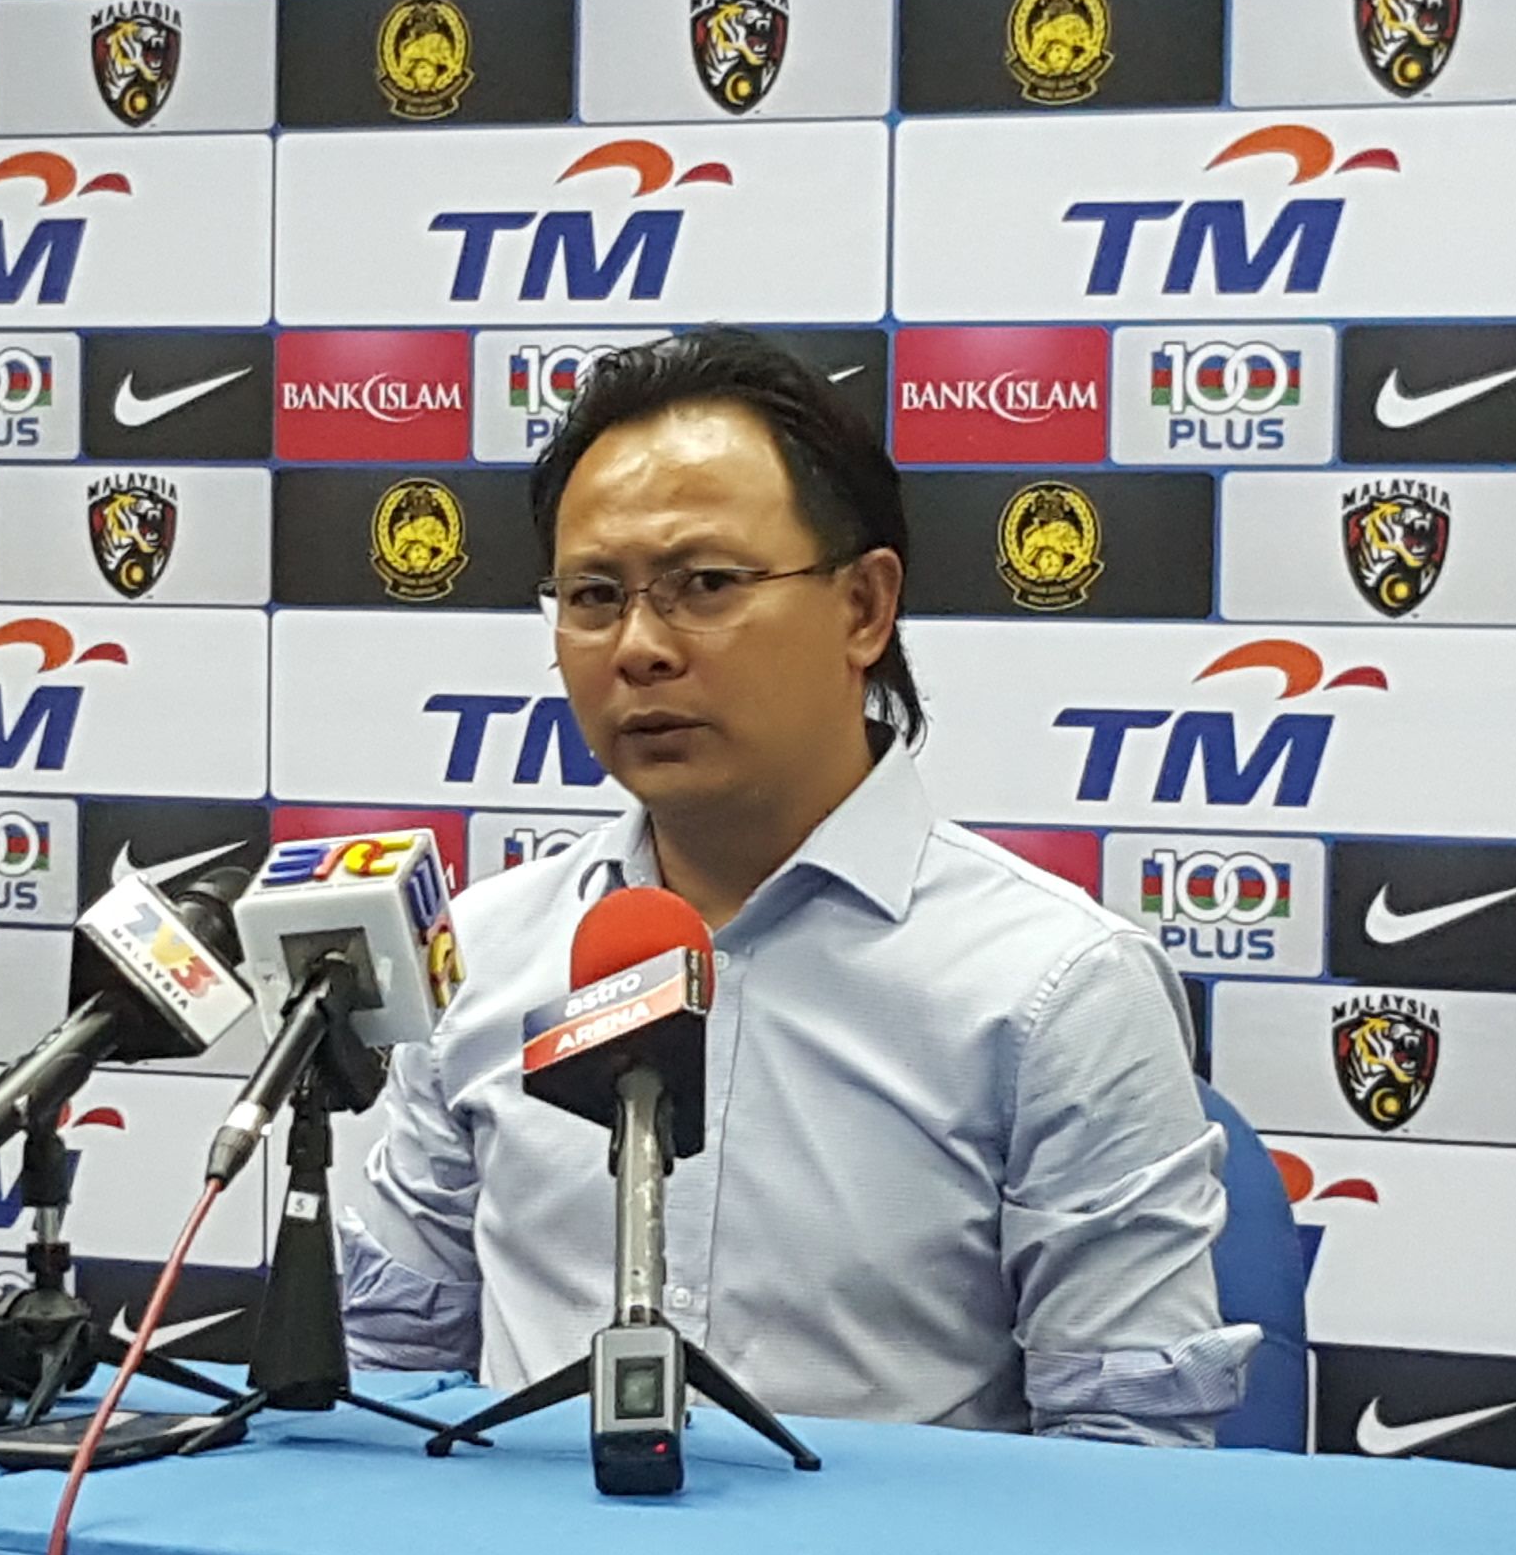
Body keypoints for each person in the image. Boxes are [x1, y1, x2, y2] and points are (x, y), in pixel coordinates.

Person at [337, 327, 1255, 1445]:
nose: (637, 648)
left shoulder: (1052, 986)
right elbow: (382, 1376)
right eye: (590, 596)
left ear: (863, 609)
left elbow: (1128, 1462)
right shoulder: (481, 955)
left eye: (703, 585)